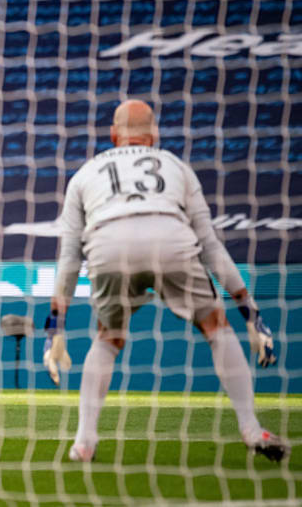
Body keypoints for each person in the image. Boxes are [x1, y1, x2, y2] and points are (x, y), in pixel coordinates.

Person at [44, 99, 288, 462]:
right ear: (154, 135)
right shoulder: (176, 166)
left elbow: (68, 259)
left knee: (108, 337)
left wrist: (55, 328)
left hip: (110, 246)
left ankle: (84, 442)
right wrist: (249, 311)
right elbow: (210, 245)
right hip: (169, 239)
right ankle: (251, 429)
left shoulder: (84, 175)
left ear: (113, 135)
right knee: (216, 326)